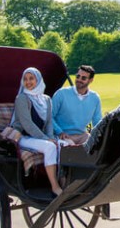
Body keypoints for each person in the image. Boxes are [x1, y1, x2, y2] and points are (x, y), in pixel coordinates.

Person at [13, 66, 64, 196]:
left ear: (38, 80)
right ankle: (54, 186)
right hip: (24, 137)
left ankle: (65, 180)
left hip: (40, 137)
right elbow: (27, 124)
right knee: (50, 147)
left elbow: (48, 122)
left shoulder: (46, 99)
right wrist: (46, 139)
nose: (28, 82)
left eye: (31, 78)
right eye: (25, 79)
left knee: (66, 144)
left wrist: (51, 136)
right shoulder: (22, 99)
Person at [51, 64, 103, 145]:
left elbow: (97, 121)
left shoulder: (95, 98)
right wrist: (59, 131)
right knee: (72, 149)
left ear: (91, 80)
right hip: (62, 135)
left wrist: (94, 134)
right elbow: (49, 117)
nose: (79, 79)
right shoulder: (61, 94)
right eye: (78, 76)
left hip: (82, 135)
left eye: (83, 78)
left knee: (95, 145)